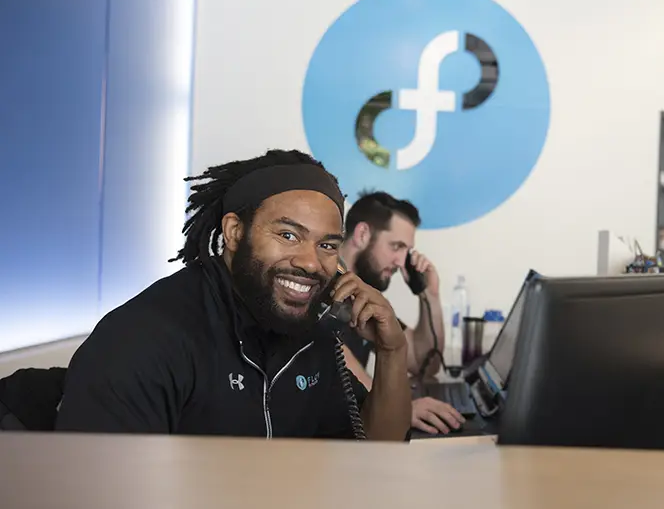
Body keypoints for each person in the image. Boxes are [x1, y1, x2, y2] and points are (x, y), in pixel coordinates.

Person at [56, 150, 411, 440]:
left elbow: (376, 457)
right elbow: (104, 487)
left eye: (327, 245)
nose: (310, 262)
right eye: (288, 235)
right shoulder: (145, 337)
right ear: (234, 232)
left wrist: (392, 351)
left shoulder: (311, 333)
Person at [338, 191, 465, 435]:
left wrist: (429, 295)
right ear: (362, 234)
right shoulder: (322, 286)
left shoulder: (366, 294)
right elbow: (337, 357)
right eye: (396, 246)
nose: (400, 261)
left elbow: (424, 363)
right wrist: (402, 408)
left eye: (406, 251)